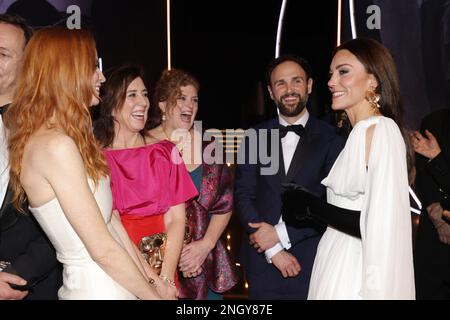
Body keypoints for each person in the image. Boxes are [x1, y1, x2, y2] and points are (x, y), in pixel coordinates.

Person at [3, 27, 166, 300]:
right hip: (96, 290)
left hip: (117, 284)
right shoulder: (54, 146)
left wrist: (153, 281)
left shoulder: (72, 139)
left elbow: (111, 222)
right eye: (92, 67)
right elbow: (101, 249)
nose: (101, 76)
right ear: (66, 71)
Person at [283, 38, 416, 299]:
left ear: (373, 80)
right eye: (331, 74)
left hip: (356, 271)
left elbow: (383, 227)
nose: (332, 82)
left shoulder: (381, 130)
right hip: (335, 260)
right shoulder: (357, 135)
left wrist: (312, 206)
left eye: (343, 71)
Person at [234, 54, 344, 299]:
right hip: (262, 261)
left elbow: (331, 203)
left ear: (309, 85)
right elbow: (243, 195)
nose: (289, 89)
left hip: (312, 257)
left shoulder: (332, 138)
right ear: (271, 92)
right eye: (280, 83)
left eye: (296, 81)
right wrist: (273, 248)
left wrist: (283, 234)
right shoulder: (256, 136)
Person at [94, 65, 198, 291]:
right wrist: (151, 280)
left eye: (144, 94)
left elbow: (176, 219)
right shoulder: (96, 161)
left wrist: (167, 278)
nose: (143, 102)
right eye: (132, 95)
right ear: (111, 106)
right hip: (120, 268)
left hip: (165, 268)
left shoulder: (165, 152)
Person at [147, 68, 239, 299]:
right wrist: (177, 257)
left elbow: (225, 203)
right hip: (159, 264)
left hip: (205, 263)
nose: (189, 105)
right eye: (181, 98)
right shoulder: (144, 146)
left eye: (194, 99)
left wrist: (204, 246)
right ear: (162, 104)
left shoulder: (210, 146)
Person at [0, 13, 61, 300]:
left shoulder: (48, 130)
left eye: (2, 54)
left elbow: (63, 220)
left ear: (26, 65)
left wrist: (18, 275)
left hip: (28, 285)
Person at [412, 108, 450, 299]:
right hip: (433, 231)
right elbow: (422, 173)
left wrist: (446, 212)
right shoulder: (434, 121)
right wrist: (438, 216)